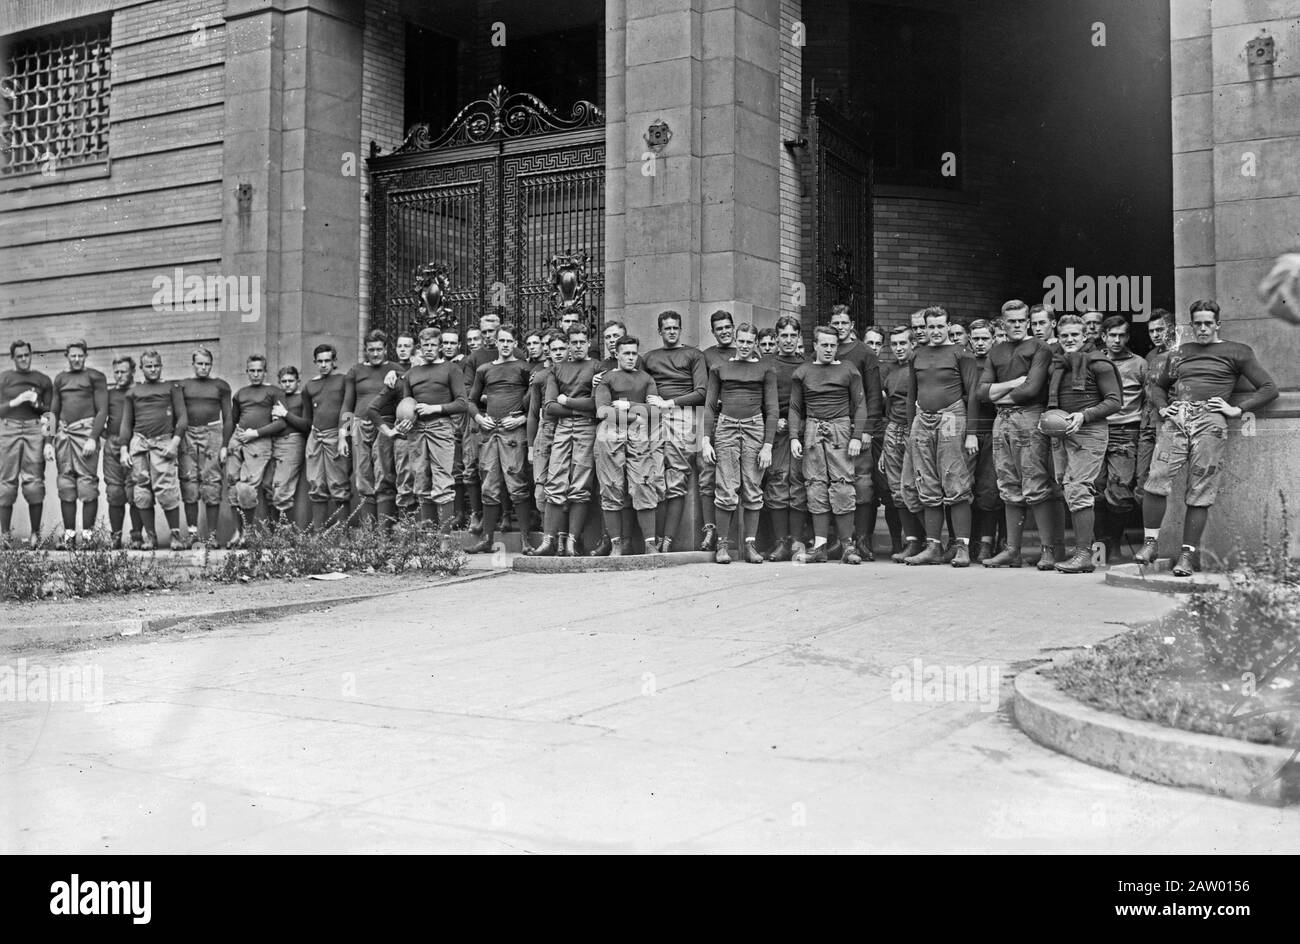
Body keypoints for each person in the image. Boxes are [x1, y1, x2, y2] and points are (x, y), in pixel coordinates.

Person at [1137, 300, 1278, 575]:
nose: (1202, 329)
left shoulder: (1237, 351)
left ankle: (1187, 556)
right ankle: (1150, 543)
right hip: (1177, 418)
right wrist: (1163, 406)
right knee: (1156, 479)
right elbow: (1155, 386)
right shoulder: (1179, 352)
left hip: (1210, 421)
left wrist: (1237, 409)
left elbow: (1269, 388)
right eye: (1197, 324)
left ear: (1217, 324)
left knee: (1200, 490)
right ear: (1191, 325)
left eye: (1207, 323)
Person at [368, 326, 467, 550]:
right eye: (425, 346)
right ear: (419, 348)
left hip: (440, 428)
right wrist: (404, 422)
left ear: (440, 346)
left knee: (443, 482)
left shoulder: (451, 369)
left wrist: (435, 408)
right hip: (416, 431)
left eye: (433, 345)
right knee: (421, 482)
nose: (429, 349)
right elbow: (407, 405)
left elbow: (462, 403)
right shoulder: (412, 374)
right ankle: (429, 537)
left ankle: (445, 540)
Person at [976, 300, 1057, 568]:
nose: (1018, 325)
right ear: (1003, 322)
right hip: (1002, 421)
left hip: (1029, 418)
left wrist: (998, 394)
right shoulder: (996, 350)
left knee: (1034, 481)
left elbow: (1031, 390)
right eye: (1012, 321)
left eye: (1023, 320)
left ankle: (1048, 549)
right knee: (1008, 484)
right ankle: (1013, 550)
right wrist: (1011, 384)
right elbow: (981, 392)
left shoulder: (1040, 347)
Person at [900, 306, 980, 567]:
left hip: (951, 418)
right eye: (929, 327)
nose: (934, 331)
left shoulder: (961, 354)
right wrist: (911, 428)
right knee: (927, 482)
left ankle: (962, 548)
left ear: (948, 327)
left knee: (954, 480)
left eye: (939, 326)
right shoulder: (917, 355)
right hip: (922, 419)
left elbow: (973, 396)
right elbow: (912, 395)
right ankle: (933, 546)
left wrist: (971, 434)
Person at [1046, 315, 1123, 573]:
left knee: (1079, 489)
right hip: (1061, 433)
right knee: (1067, 487)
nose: (1069, 340)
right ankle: (1082, 549)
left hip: (1089, 432)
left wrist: (1084, 415)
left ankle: (1083, 555)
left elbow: (1114, 401)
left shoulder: (1098, 363)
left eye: (1074, 336)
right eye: (1064, 335)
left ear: (1085, 336)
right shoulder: (1057, 363)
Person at [789, 325, 868, 564]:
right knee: (815, 485)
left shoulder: (849, 369)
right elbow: (794, 408)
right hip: (813, 428)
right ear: (815, 345)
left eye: (833, 345)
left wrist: (856, 435)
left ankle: (847, 545)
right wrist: (794, 436)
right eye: (824, 345)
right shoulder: (802, 371)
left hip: (841, 428)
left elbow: (861, 405)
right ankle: (821, 546)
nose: (829, 349)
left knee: (843, 483)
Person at [701, 324, 776, 564]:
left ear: (756, 343)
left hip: (755, 426)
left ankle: (750, 545)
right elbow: (710, 405)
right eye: (741, 341)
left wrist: (768, 445)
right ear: (735, 340)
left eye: (749, 342)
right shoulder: (719, 367)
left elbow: (772, 409)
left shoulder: (765, 369)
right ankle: (722, 545)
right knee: (726, 486)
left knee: (753, 486)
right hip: (726, 426)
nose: (744, 346)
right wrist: (705, 439)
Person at [464, 325, 535, 553]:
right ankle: (487, 538)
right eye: (501, 341)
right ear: (496, 342)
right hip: (489, 432)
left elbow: (534, 400)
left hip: (513, 432)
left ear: (515, 343)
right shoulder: (484, 370)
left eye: (509, 341)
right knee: (489, 484)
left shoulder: (524, 368)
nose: (505, 345)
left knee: (517, 482)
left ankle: (525, 540)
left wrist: (522, 419)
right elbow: (471, 400)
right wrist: (478, 417)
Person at [641, 310, 707, 552]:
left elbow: (701, 392)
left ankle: (667, 540)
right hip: (654, 418)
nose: (671, 332)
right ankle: (654, 538)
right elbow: (636, 381)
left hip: (683, 417)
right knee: (654, 476)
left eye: (675, 328)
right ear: (659, 331)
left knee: (677, 478)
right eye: (666, 328)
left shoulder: (693, 355)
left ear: (681, 329)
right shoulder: (649, 358)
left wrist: (669, 403)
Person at [593, 335, 660, 555]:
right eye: (626, 353)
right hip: (610, 434)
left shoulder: (646, 379)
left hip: (639, 436)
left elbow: (656, 410)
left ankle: (651, 544)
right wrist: (634, 416)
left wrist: (628, 405)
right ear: (617, 354)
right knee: (611, 486)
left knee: (643, 484)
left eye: (634, 353)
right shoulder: (607, 379)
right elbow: (602, 411)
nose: (631, 358)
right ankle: (616, 545)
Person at [827, 303, 885, 560]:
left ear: (852, 326)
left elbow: (874, 395)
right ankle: (841, 540)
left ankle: (862, 539)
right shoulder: (826, 348)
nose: (839, 328)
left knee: (862, 483)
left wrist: (866, 431)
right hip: (833, 426)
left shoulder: (864, 353)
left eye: (844, 323)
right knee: (837, 483)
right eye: (835, 323)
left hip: (858, 427)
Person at [536, 325, 600, 556]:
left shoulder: (596, 366)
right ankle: (548, 541)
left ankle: (572, 540)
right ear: (569, 344)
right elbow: (550, 407)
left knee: (580, 485)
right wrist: (579, 408)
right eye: (574, 342)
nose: (579, 346)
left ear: (589, 343)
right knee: (555, 482)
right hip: (563, 429)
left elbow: (596, 405)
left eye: (583, 342)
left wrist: (569, 402)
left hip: (587, 430)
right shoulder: (557, 368)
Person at [119, 350, 188, 550]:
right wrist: (124, 450)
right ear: (141, 369)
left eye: (156, 366)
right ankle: (150, 537)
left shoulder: (171, 388)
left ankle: (175, 535)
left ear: (161, 366)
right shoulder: (133, 392)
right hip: (140, 445)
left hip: (164, 444)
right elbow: (126, 424)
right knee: (141, 492)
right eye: (148, 366)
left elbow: (182, 417)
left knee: (167, 490)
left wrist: (174, 443)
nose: (153, 370)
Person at [1094, 315, 1147, 561]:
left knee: (1120, 493)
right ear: (1103, 336)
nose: (1117, 340)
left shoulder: (1139, 364)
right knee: (1093, 489)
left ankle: (1114, 543)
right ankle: (1099, 546)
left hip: (1126, 431)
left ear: (1128, 337)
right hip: (1095, 430)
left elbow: (1148, 399)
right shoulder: (1093, 360)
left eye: (1122, 335)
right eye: (1112, 335)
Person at [47, 339, 108, 549]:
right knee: (65, 485)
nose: (76, 359)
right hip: (64, 435)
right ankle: (70, 536)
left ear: (85, 355)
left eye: (80, 355)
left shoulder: (95, 377)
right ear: (67, 356)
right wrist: (48, 441)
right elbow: (52, 411)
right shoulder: (60, 379)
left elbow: (102, 410)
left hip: (85, 434)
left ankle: (89, 537)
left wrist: (93, 437)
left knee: (87, 485)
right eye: (72, 355)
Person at [224, 354, 286, 546]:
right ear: (247, 372)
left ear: (265, 372)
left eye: (260, 370)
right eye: (252, 370)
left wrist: (256, 433)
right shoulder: (241, 393)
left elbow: (281, 423)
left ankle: (248, 533)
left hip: (259, 442)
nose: (256, 374)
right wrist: (225, 445)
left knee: (247, 488)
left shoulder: (274, 392)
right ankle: (237, 532)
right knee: (232, 485)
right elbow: (231, 420)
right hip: (238, 439)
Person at [343, 330, 401, 529]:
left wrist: (398, 374)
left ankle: (384, 532)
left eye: (379, 349)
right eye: (371, 350)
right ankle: (369, 533)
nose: (375, 354)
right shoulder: (355, 371)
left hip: (384, 424)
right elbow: (347, 406)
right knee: (363, 477)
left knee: (384, 474)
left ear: (386, 349)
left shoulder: (394, 368)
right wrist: (344, 435)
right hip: (360, 425)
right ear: (365, 351)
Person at [762, 316, 808, 561]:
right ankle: (780, 542)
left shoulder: (808, 364)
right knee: (778, 483)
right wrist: (773, 421)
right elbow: (759, 398)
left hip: (801, 432)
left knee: (799, 483)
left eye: (793, 336)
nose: (789, 340)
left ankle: (797, 541)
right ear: (776, 338)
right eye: (784, 336)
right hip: (776, 432)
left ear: (798, 337)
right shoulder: (766, 364)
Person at [177, 347, 233, 546]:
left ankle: (212, 534)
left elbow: (228, 418)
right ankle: (192, 533)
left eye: (207, 364)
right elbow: (178, 414)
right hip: (188, 434)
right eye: (199, 364)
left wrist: (225, 444)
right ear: (193, 365)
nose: (203, 368)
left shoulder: (221, 386)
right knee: (189, 481)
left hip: (212, 434)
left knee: (212, 482)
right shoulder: (183, 386)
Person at [0, 339, 53, 547]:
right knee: (6, 482)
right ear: (12, 358)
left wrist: (49, 441)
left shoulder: (42, 379)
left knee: (34, 483)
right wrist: (18, 400)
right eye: (19, 356)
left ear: (31, 355)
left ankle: (35, 535)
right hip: (8, 428)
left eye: (27, 355)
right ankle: (4, 535)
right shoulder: (4, 378)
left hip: (34, 429)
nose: (24, 359)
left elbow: (51, 413)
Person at [880, 325, 924, 562]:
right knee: (897, 491)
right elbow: (887, 407)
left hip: (914, 430)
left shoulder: (918, 367)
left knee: (915, 488)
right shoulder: (890, 371)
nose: (898, 348)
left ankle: (929, 540)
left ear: (912, 344)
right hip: (893, 431)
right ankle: (912, 542)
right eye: (894, 344)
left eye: (902, 343)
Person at [458, 312, 503, 532]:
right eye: (483, 332)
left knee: (501, 468)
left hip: (504, 418)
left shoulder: (513, 353)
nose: (487, 336)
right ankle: (477, 514)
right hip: (477, 419)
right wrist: (485, 398)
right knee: (472, 467)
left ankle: (502, 515)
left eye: (491, 331)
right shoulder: (473, 358)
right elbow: (466, 390)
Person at [697, 309, 738, 550]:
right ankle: (710, 530)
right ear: (713, 332)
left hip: (741, 420)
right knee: (707, 476)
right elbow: (704, 390)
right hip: (714, 418)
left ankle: (733, 534)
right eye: (719, 328)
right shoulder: (707, 355)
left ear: (733, 327)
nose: (724, 331)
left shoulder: (745, 351)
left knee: (734, 478)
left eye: (727, 327)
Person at [965, 319, 1004, 563]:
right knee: (965, 488)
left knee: (989, 490)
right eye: (975, 338)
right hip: (967, 432)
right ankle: (969, 542)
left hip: (992, 431)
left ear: (993, 339)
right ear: (970, 339)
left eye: (984, 338)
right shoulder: (965, 362)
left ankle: (988, 543)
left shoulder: (999, 363)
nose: (980, 343)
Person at [301, 343, 351, 529]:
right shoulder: (309, 386)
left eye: (327, 361)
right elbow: (307, 420)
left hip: (336, 437)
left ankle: (343, 533)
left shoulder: (343, 380)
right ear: (315, 362)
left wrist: (344, 435)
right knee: (316, 484)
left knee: (339, 484)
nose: (323, 365)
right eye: (319, 361)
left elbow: (348, 410)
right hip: (315, 437)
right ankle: (317, 533)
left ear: (334, 361)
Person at [525, 332, 568, 546]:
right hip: (546, 429)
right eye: (554, 349)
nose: (558, 353)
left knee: (563, 485)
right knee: (541, 487)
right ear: (548, 351)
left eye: (562, 348)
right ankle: (546, 538)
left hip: (567, 427)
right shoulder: (540, 376)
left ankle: (562, 538)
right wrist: (531, 446)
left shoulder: (573, 372)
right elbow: (533, 413)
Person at [102, 357, 144, 549]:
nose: (119, 376)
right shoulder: (108, 394)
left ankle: (137, 536)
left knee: (136, 491)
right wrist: (109, 437)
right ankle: (116, 537)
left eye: (123, 372)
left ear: (133, 372)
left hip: (135, 445)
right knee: (114, 491)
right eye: (116, 372)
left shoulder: (139, 392)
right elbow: (98, 417)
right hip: (113, 445)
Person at [1135, 309, 1172, 497]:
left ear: (1171, 329)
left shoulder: (1178, 353)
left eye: (1160, 329)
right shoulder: (1150, 355)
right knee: (1141, 478)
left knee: (1159, 478)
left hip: (1165, 423)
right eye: (1151, 331)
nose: (1156, 335)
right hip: (1146, 422)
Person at [268, 366, 309, 529]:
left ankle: (285, 534)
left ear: (298, 382)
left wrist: (285, 414)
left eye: (291, 381)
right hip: (274, 442)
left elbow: (306, 425)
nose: (287, 384)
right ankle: (274, 531)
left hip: (293, 442)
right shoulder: (278, 398)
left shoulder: (302, 398)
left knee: (283, 488)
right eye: (283, 381)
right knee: (270, 486)